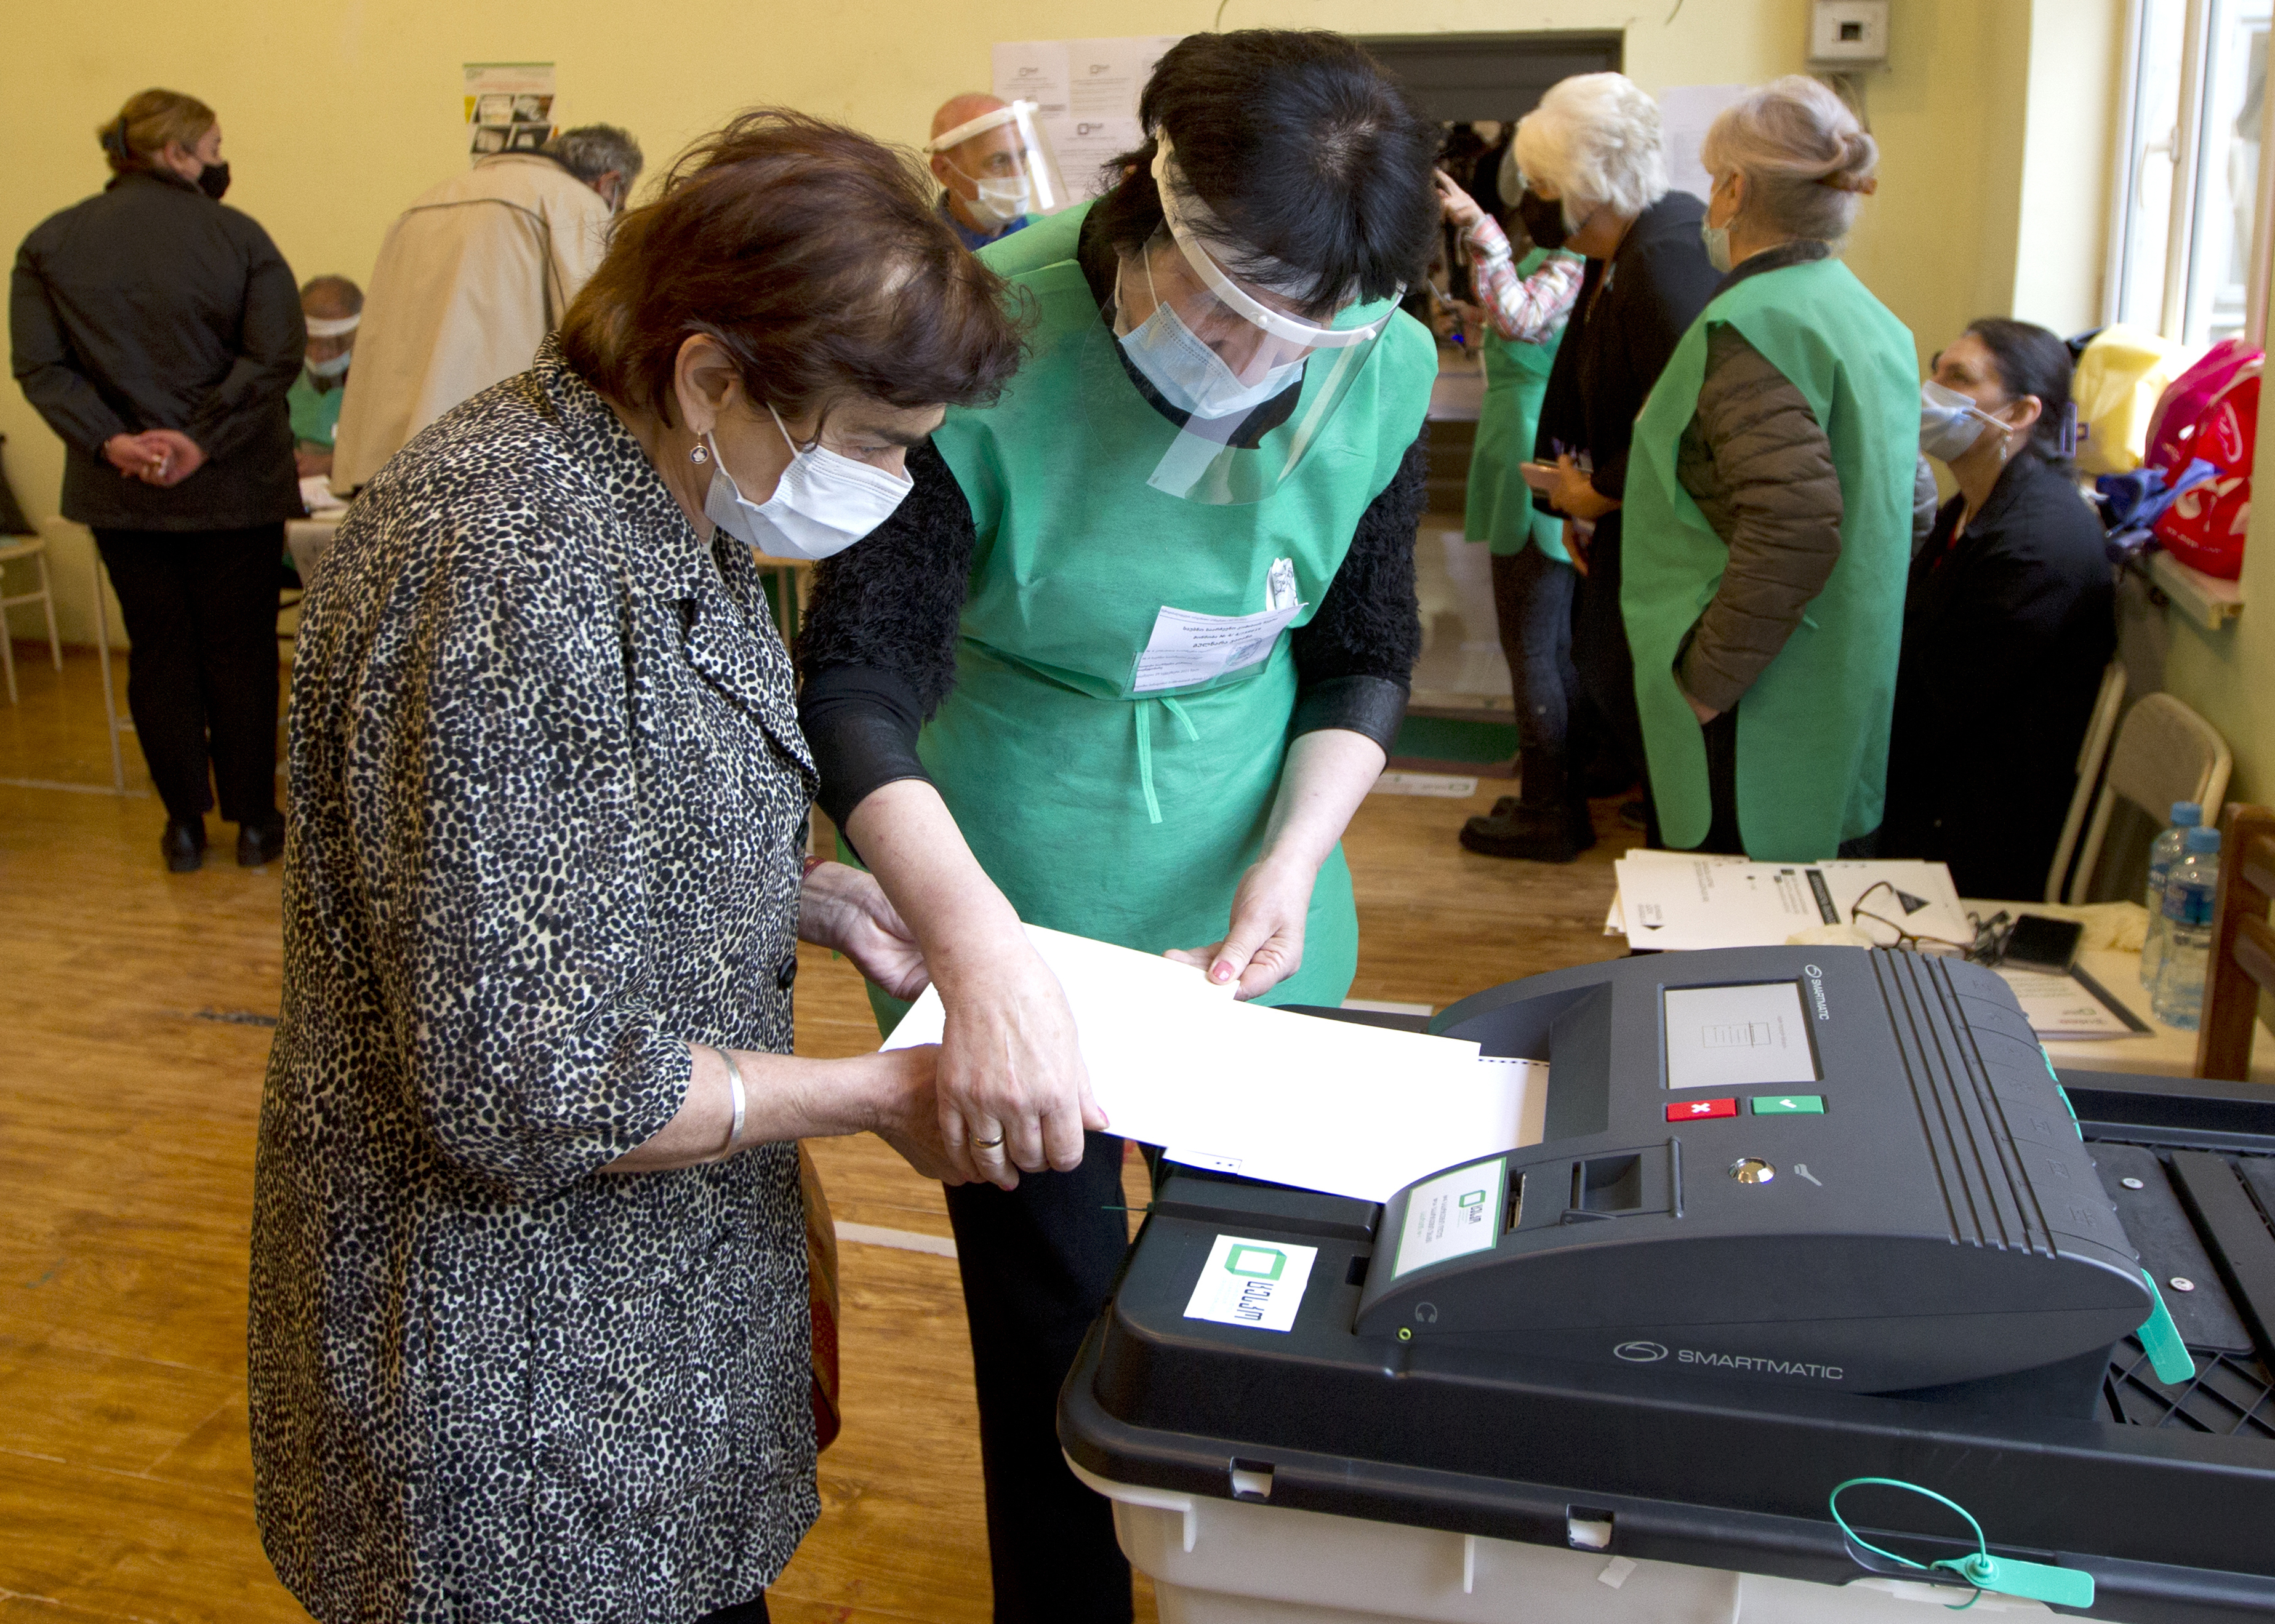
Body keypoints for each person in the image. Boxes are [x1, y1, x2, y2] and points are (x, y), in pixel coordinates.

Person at [247, 111, 1026, 1622]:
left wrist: (811, 895)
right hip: (508, 1357)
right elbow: (521, 1076)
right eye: (874, 442)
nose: (887, 485)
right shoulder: (506, 562)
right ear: (711, 371)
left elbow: (565, 835)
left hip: (634, 1315)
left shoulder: (667, 491)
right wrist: (882, 1097)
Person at [797, 30, 1441, 1623]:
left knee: (1276, 1303)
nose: (1258, 365)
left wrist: (1292, 858)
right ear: (1158, 203)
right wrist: (978, 942)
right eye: (1230, 310)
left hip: (1250, 882)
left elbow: (1363, 648)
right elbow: (860, 676)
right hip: (1010, 887)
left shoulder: (1383, 361)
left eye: (1304, 340)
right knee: (1056, 1324)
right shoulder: (982, 338)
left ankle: (1262, 1588)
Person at [1619, 76, 1917, 862]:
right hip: (1835, 681)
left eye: (1713, 180)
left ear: (1735, 190)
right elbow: (1906, 498)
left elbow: (1793, 525)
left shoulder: (1755, 325)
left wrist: (1703, 686)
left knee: (1726, 960)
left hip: (1757, 706)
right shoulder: (1867, 315)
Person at [10, 88, 300, 872]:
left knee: (159, 652)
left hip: (122, 495)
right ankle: (253, 823)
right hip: (233, 487)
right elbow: (275, 356)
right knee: (239, 653)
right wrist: (201, 442)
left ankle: (181, 826)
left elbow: (42, 368)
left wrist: (114, 443)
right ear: (177, 154)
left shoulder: (50, 242)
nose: (219, 159)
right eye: (212, 144)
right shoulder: (239, 237)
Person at [1520, 73, 1722, 846]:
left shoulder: (1666, 254)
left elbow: (1691, 416)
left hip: (1669, 547)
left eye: (1544, 183)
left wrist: (1599, 493)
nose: (1536, 200)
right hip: (1624, 530)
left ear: (1587, 183)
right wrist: (1568, 499)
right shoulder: (1622, 252)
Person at [1881, 320, 2114, 898]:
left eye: (1956, 378)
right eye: (1936, 369)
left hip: (1980, 835)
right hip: (1936, 792)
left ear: (2018, 414)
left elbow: (1929, 701)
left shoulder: (2038, 543)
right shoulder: (1973, 509)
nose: (1930, 390)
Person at [329, 122, 643, 490]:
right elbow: (593, 339)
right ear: (609, 184)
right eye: (620, 207)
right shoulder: (572, 202)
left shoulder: (423, 202)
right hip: (496, 461)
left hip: (393, 464)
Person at [1434, 159, 1597, 861]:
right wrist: (1469, 319)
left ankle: (1548, 809)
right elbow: (1507, 323)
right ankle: (1549, 792)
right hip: (1511, 440)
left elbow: (1528, 321)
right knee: (1540, 644)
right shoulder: (1547, 257)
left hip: (1530, 446)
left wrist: (1477, 226)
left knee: (1532, 645)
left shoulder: (1570, 261)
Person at [926, 94, 1055, 251]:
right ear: (944, 172)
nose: (1018, 175)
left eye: (1021, 157)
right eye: (999, 161)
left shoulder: (1047, 235)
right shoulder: (918, 249)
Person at [288, 274, 360, 479]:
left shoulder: (383, 380)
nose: (320, 355)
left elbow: (396, 451)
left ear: (358, 335)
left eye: (335, 343)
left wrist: (330, 463)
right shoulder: (284, 374)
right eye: (310, 341)